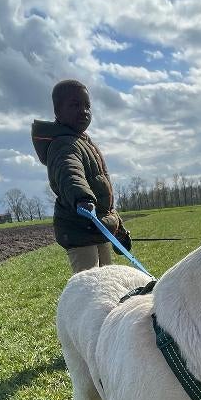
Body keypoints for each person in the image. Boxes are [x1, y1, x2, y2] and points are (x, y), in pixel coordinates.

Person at [31, 79, 131, 273]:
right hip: (79, 230)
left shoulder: (83, 142)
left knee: (108, 281)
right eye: (75, 105)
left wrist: (118, 228)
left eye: (87, 106)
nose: (83, 111)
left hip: (97, 230)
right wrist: (81, 198)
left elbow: (103, 199)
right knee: (90, 287)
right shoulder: (63, 145)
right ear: (57, 112)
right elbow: (70, 172)